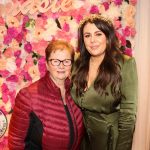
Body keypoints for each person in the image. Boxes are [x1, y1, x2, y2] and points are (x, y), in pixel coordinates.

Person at [71, 14, 138, 150]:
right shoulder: (78, 63)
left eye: (98, 34)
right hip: (82, 140)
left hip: (109, 140)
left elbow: (128, 116)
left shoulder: (125, 64)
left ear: (108, 37)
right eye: (87, 35)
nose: (92, 41)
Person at [8, 40, 84, 150]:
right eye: (55, 61)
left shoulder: (75, 92)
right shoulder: (27, 96)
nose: (61, 66)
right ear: (47, 64)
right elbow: (16, 141)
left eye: (66, 61)